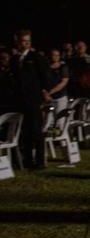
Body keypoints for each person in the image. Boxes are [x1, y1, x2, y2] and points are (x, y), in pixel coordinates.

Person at [10, 30, 50, 169]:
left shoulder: (36, 57)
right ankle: (27, 160)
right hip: (20, 99)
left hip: (33, 99)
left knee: (36, 130)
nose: (25, 44)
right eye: (22, 41)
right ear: (17, 42)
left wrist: (44, 92)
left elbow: (44, 77)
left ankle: (39, 161)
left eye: (27, 41)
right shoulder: (15, 58)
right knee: (24, 131)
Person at [46, 48, 70, 129]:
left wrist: (52, 91)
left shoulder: (63, 67)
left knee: (60, 121)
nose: (55, 57)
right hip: (48, 98)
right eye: (53, 55)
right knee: (48, 121)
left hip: (60, 96)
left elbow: (64, 82)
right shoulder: (45, 68)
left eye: (57, 55)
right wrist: (46, 93)